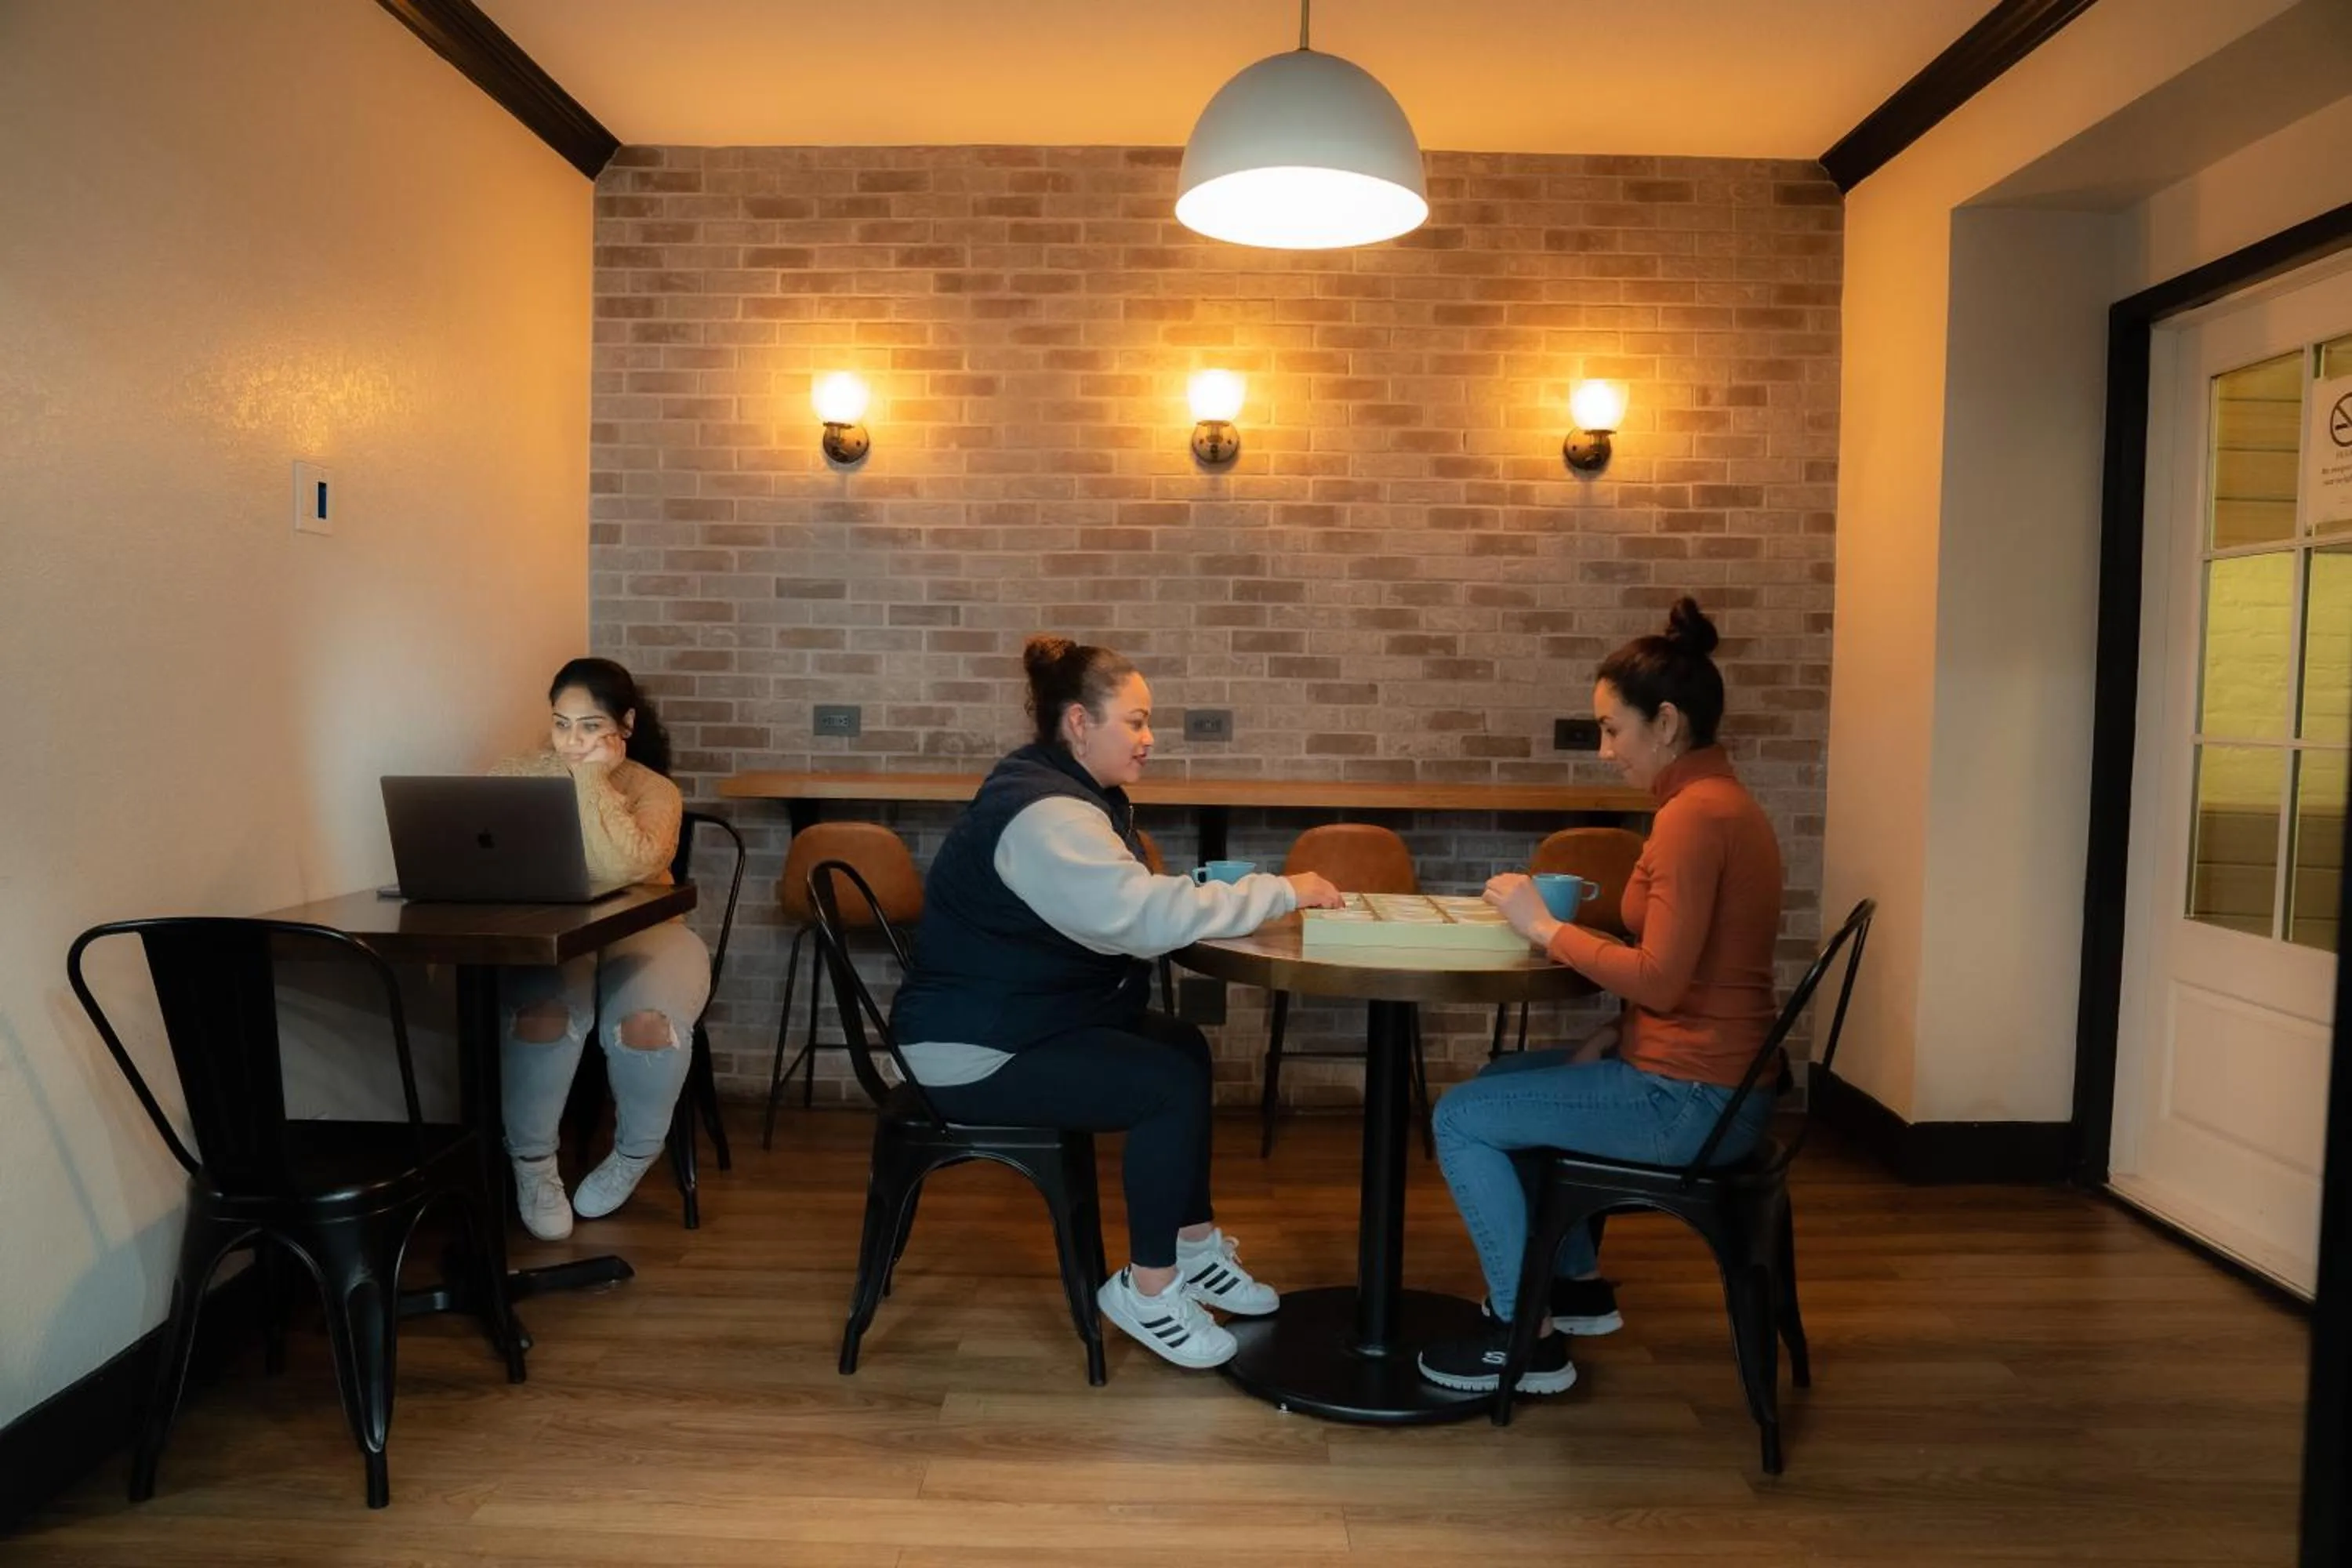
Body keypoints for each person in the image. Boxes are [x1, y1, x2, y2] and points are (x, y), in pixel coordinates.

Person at [890, 634, 1344, 1370]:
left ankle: (1191, 1247)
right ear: (1078, 723)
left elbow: (1122, 925)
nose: (1149, 738)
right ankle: (1148, 1288)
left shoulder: (1065, 791)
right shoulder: (1045, 813)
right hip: (968, 1048)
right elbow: (1137, 919)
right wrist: (1279, 890)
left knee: (1182, 1047)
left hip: (1023, 1023)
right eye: (1134, 721)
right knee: (1162, 1085)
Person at [1417, 598, 1784, 1396]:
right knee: (1498, 1082)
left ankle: (1529, 1336)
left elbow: (1661, 976)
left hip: (1691, 1099)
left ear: (1667, 721)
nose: (1604, 749)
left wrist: (1544, 927)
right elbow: (1698, 971)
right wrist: (1618, 1037)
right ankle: (1575, 1288)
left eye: (1612, 729)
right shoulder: (1720, 805)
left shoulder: (1694, 819)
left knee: (1459, 1116)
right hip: (1713, 1079)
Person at [492, 657, 710, 1240]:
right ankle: (534, 1167)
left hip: (650, 930)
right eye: (562, 724)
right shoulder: (521, 775)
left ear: (626, 725)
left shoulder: (654, 791)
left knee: (647, 1024)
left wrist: (591, 779)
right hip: (556, 931)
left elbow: (629, 865)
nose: (573, 741)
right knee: (543, 1016)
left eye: (591, 726)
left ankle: (633, 1156)